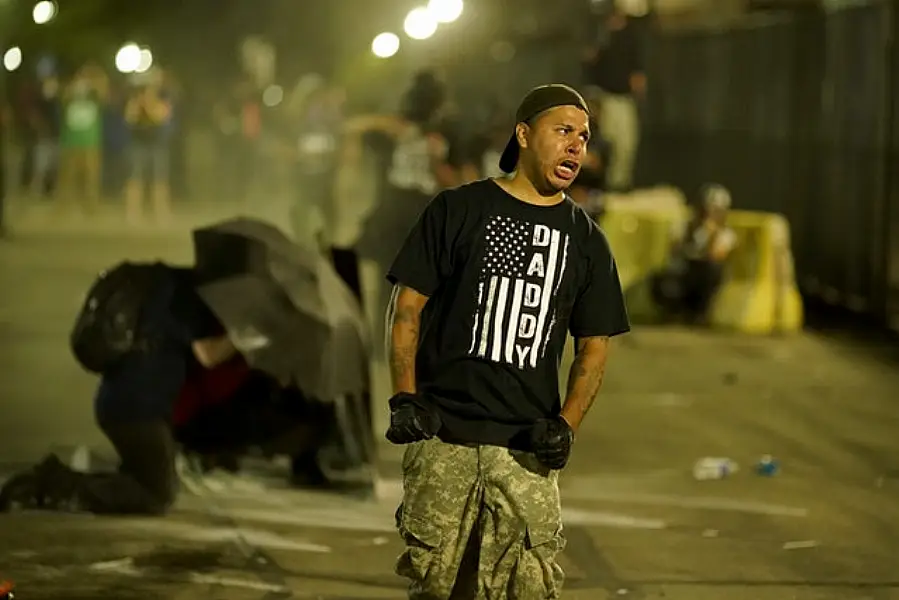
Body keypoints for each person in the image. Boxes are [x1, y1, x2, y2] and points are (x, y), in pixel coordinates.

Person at [384, 84, 630, 597]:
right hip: (444, 436)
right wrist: (405, 397)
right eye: (563, 131)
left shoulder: (587, 241)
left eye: (583, 137)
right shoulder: (458, 209)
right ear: (523, 134)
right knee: (435, 585)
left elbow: (594, 345)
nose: (576, 146)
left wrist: (567, 424)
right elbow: (407, 306)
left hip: (525, 451)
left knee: (528, 588)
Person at [0, 264, 237, 515]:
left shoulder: (165, 284)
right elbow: (208, 355)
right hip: (138, 409)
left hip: (123, 402)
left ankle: (52, 482)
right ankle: (48, 486)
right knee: (156, 495)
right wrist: (242, 336)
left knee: (147, 481)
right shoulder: (186, 299)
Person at [652, 184, 737, 323]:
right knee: (661, 278)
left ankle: (698, 313)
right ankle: (673, 311)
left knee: (712, 271)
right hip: (685, 270)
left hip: (702, 275)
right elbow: (674, 248)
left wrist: (712, 234)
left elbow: (716, 255)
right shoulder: (685, 226)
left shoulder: (726, 234)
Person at [582, 4, 645, 191]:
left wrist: (638, 88)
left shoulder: (630, 36)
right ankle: (605, 184)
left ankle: (620, 182)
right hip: (604, 97)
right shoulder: (599, 32)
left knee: (626, 144)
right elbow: (588, 61)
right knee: (605, 142)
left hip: (624, 99)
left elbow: (636, 69)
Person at [123, 73, 174, 224]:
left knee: (160, 180)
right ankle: (132, 213)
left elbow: (161, 117)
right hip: (138, 145)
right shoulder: (134, 103)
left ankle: (161, 212)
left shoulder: (162, 102)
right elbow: (129, 118)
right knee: (134, 179)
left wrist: (148, 105)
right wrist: (138, 105)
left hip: (157, 145)